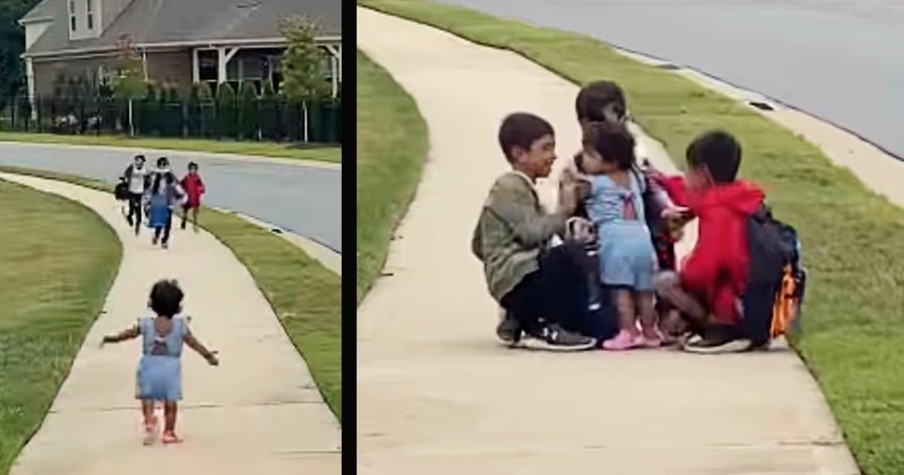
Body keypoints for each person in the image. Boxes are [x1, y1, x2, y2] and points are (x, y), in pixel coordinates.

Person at [471, 112, 598, 351]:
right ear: (519, 154)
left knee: (591, 321)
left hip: (514, 280)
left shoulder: (516, 188)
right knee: (569, 256)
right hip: (518, 281)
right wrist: (565, 210)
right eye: (546, 148)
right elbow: (532, 233)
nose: (553, 156)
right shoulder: (510, 186)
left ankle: (518, 317)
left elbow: (478, 243)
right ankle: (540, 326)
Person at [654, 130, 766, 353]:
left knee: (664, 282)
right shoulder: (740, 197)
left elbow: (706, 267)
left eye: (689, 170)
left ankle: (720, 329)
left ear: (703, 173)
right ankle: (727, 326)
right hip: (755, 298)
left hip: (733, 302)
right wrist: (661, 180)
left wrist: (684, 273)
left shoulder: (718, 211)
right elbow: (689, 196)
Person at [575, 121, 663, 350]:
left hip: (616, 243)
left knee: (621, 291)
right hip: (643, 241)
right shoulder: (635, 178)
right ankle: (650, 331)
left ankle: (628, 331)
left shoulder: (594, 184)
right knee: (645, 291)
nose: (583, 158)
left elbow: (575, 194)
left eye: (589, 154)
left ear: (610, 162)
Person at [99, 279, 219, 445]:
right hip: (170, 370)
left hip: (148, 366)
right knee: (170, 403)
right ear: (178, 307)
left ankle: (149, 420)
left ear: (152, 304)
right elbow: (194, 343)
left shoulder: (146, 324)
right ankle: (168, 432)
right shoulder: (181, 326)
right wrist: (209, 357)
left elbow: (128, 334)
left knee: (147, 397)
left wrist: (112, 338)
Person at [147, 172, 185, 249]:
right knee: (160, 222)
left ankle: (164, 240)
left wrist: (178, 199)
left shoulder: (171, 179)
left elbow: (178, 190)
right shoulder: (156, 180)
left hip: (168, 204)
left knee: (168, 223)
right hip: (160, 204)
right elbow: (151, 192)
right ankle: (157, 235)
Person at [122, 155, 150, 235]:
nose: (137, 161)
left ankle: (137, 225)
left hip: (140, 192)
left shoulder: (145, 169)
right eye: (136, 160)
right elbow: (126, 174)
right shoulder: (132, 167)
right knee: (133, 206)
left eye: (139, 160)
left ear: (142, 161)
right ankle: (129, 216)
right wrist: (126, 180)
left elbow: (149, 178)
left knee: (138, 209)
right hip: (131, 191)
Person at [179, 162, 205, 231]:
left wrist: (201, 190)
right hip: (187, 197)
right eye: (191, 169)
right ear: (189, 169)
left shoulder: (197, 178)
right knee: (185, 211)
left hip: (195, 197)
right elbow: (181, 184)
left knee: (195, 213)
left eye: (194, 169)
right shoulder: (186, 177)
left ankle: (195, 225)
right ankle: (183, 222)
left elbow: (201, 186)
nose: (193, 171)